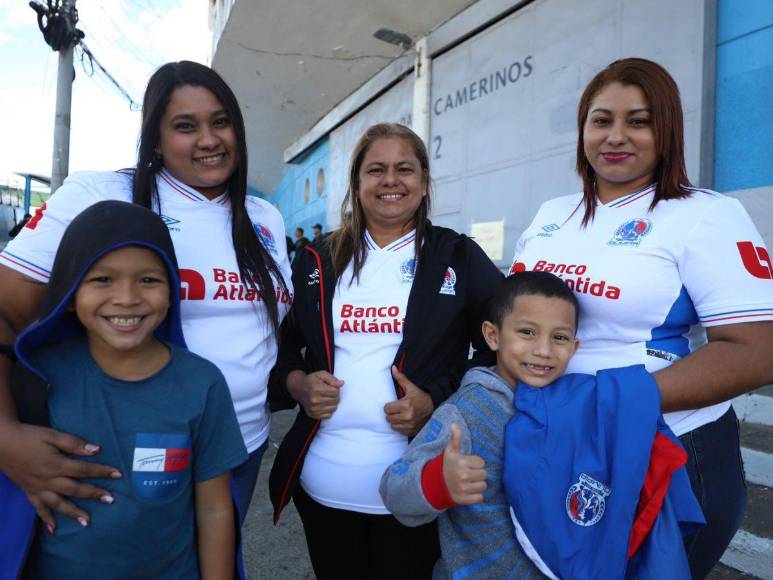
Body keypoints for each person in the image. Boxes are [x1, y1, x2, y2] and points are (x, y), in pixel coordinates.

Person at [0, 61, 292, 533]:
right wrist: (5, 437)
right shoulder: (101, 195)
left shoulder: (265, 217)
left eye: (220, 121)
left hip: (240, 445)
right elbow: (5, 310)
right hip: (125, 447)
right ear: (155, 139)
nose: (209, 139)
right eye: (185, 126)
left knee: (215, 559)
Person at [510, 57, 773, 579]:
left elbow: (758, 350)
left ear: (667, 129)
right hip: (553, 437)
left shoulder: (706, 214)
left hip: (667, 445)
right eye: (601, 120)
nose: (616, 136)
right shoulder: (550, 214)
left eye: (639, 121)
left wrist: (613, 399)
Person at [268, 123, 503, 578]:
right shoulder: (319, 259)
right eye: (376, 170)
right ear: (357, 183)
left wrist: (435, 400)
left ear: (424, 182)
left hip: (418, 490)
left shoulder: (457, 256)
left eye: (404, 169)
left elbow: (500, 349)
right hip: (323, 490)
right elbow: (279, 345)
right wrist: (299, 385)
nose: (390, 180)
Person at [7, 200, 246, 578]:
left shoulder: (203, 384)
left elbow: (215, 508)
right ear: (69, 293)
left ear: (173, 290)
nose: (127, 298)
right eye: (102, 279)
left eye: (149, 280)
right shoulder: (36, 376)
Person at [380, 271, 578, 578]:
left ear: (575, 347)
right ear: (492, 336)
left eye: (559, 337)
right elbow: (393, 487)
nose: (544, 350)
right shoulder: (467, 411)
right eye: (527, 332)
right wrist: (438, 481)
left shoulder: (572, 407)